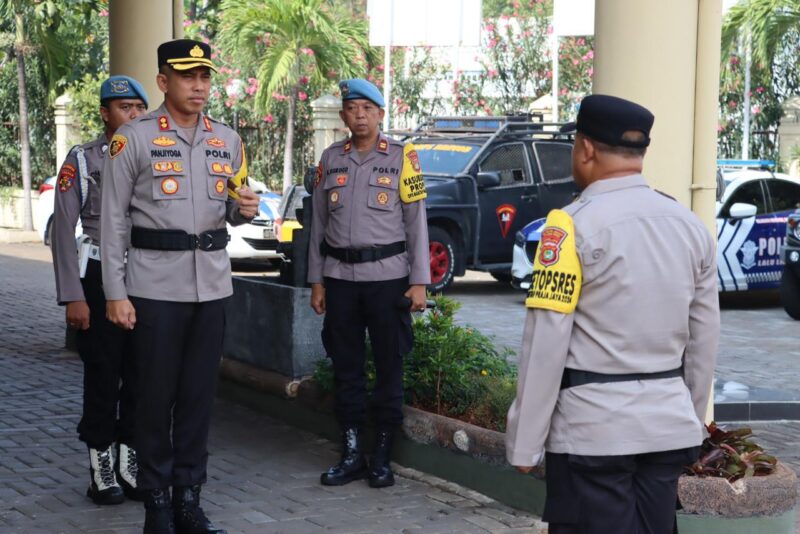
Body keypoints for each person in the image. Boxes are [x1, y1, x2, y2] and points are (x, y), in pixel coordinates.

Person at [505, 94, 719, 533]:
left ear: (585, 148)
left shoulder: (568, 227)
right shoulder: (689, 225)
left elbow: (545, 342)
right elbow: (704, 340)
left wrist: (525, 445)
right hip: (667, 429)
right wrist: (690, 420)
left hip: (592, 433)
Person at [101, 39, 259, 534]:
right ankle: (156, 502)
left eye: (205, 77)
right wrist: (114, 292)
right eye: (187, 76)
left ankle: (189, 498)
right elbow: (112, 222)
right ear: (163, 82)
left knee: (197, 396)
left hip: (211, 286)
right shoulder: (134, 138)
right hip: (152, 287)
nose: (198, 86)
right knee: (152, 397)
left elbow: (232, 206)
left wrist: (244, 209)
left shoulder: (228, 140)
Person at [307, 78, 430, 488]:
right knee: (347, 367)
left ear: (380, 114)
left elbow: (416, 223)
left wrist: (419, 282)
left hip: (388, 279)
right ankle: (352, 452)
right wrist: (317, 282)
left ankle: (381, 456)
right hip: (340, 279)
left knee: (389, 366)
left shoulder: (401, 157)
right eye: (352, 108)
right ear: (343, 115)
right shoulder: (331, 158)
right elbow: (319, 225)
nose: (359, 115)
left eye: (367, 108)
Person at [51, 75, 148, 505]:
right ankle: (101, 469)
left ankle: (130, 464)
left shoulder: (152, 153)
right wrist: (73, 295)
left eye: (138, 108)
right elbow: (62, 230)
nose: (132, 115)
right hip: (95, 277)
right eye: (123, 108)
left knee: (143, 376)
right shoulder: (84, 158)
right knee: (104, 375)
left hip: (145, 276)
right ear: (105, 113)